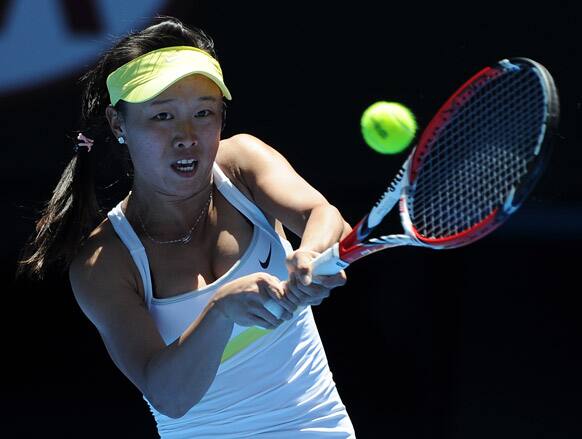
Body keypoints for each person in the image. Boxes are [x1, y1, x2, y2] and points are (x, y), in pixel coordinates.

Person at [17, 16, 356, 438]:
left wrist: (310, 252)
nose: (187, 136)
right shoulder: (103, 262)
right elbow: (170, 398)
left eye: (203, 113)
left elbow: (323, 218)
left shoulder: (242, 163)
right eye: (162, 116)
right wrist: (220, 310)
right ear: (118, 124)